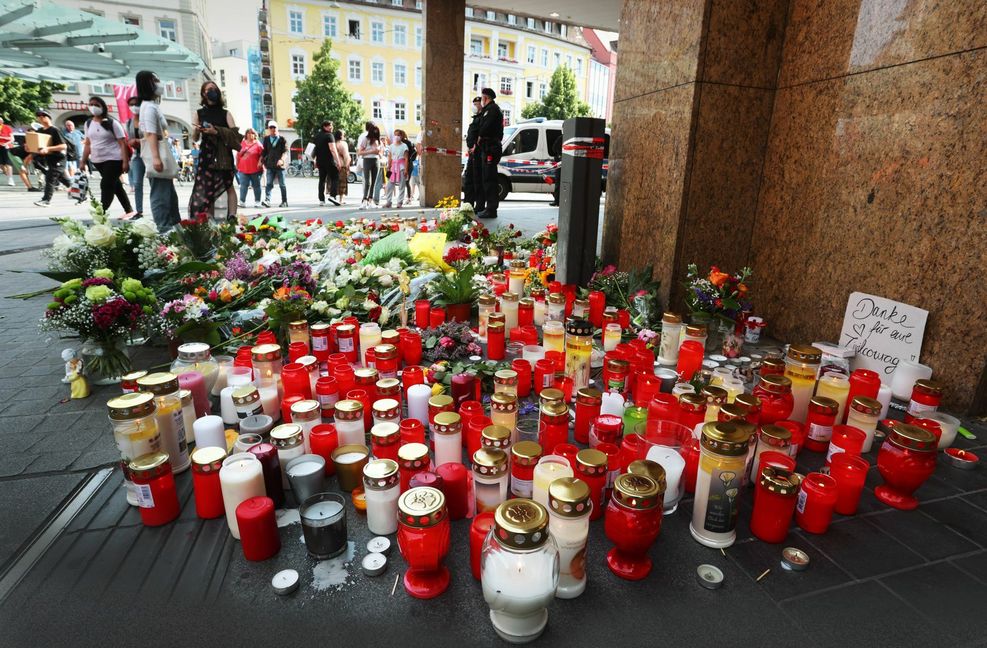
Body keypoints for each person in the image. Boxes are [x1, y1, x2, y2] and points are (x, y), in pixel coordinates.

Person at [189, 81, 242, 222]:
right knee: (208, 189)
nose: (212, 91)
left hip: (223, 154)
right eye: (208, 89)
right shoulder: (199, 113)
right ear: (203, 94)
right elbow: (195, 138)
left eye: (214, 88)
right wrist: (197, 129)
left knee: (229, 185)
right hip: (206, 154)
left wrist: (216, 131)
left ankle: (232, 216)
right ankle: (210, 220)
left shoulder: (226, 113)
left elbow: (235, 136)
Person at [135, 69, 180, 230]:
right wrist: (156, 158)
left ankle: (173, 228)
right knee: (161, 195)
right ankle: (164, 229)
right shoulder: (149, 107)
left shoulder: (150, 106)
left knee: (168, 194)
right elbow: (150, 133)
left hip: (158, 152)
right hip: (157, 153)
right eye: (155, 80)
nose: (159, 84)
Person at [80, 96, 133, 216]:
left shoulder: (112, 123)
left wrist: (125, 162)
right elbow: (88, 143)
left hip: (115, 159)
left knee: (106, 184)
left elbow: (122, 143)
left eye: (96, 105)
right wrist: (83, 161)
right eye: (91, 104)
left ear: (103, 107)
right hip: (98, 160)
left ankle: (101, 213)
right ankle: (129, 210)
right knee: (116, 185)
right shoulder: (88, 123)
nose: (93, 107)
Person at [474, 87, 504, 219]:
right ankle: (489, 208)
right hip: (488, 147)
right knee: (487, 178)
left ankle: (491, 209)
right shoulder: (490, 109)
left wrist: (480, 135)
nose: (482, 100)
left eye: (482, 98)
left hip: (491, 147)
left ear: (485, 98)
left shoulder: (492, 110)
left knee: (489, 179)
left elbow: (486, 127)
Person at [31, 109, 71, 207]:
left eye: (43, 116)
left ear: (49, 117)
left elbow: (63, 146)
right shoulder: (40, 131)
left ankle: (46, 200)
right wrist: (30, 147)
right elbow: (38, 145)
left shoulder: (54, 130)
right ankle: (83, 195)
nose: (41, 118)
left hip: (59, 158)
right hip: (49, 159)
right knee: (65, 180)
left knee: (50, 178)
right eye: (39, 116)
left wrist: (48, 148)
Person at [312, 120, 342, 206]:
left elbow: (315, 150)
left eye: (331, 125)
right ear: (324, 127)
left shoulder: (317, 136)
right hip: (329, 161)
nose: (331, 127)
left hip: (320, 161)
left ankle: (321, 200)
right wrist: (338, 161)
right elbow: (333, 149)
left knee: (322, 180)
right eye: (330, 126)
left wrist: (315, 160)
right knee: (335, 177)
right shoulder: (329, 135)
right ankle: (332, 196)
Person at [124, 97, 144, 218]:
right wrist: (131, 142)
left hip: (149, 154)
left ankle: (158, 208)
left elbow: (154, 137)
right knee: (137, 183)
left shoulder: (146, 120)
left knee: (154, 182)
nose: (134, 107)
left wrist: (139, 141)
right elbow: (128, 140)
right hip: (137, 155)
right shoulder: (129, 122)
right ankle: (139, 211)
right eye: (131, 105)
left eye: (136, 104)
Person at [261, 120, 288, 207]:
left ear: (277, 128)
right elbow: (264, 152)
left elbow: (285, 152)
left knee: (282, 185)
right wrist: (261, 161)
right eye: (271, 127)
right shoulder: (266, 139)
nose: (273, 129)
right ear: (269, 129)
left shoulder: (282, 139)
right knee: (269, 184)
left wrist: (282, 160)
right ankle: (267, 201)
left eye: (274, 127)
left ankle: (284, 201)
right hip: (270, 165)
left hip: (280, 166)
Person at [381, 129, 410, 209]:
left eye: (398, 135)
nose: (396, 136)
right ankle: (388, 202)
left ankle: (399, 202)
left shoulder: (404, 146)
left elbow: (406, 158)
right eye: (395, 135)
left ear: (401, 136)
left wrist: (406, 170)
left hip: (401, 167)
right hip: (392, 167)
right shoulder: (391, 146)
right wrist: (388, 167)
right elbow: (390, 157)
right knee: (389, 185)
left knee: (401, 185)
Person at [462, 95, 482, 205]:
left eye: (476, 104)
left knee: (475, 180)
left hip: (477, 153)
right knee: (469, 178)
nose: (474, 106)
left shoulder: (482, 118)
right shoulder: (476, 118)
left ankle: (475, 204)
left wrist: (475, 146)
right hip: (472, 153)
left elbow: (481, 134)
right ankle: (468, 203)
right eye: (473, 104)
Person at [236, 127, 264, 208]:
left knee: (256, 186)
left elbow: (263, 155)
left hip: (255, 169)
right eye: (248, 133)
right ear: (246, 134)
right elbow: (238, 155)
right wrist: (237, 165)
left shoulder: (258, 144)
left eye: (252, 133)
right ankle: (242, 202)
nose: (250, 134)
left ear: (255, 135)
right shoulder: (242, 143)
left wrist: (260, 161)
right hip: (243, 168)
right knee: (243, 185)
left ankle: (257, 202)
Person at [357, 121, 381, 210]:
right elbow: (360, 152)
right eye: (374, 130)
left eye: (377, 131)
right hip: (367, 160)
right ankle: (364, 200)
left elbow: (380, 152)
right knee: (367, 182)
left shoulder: (378, 140)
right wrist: (372, 151)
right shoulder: (365, 139)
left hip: (376, 160)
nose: (375, 132)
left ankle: (371, 200)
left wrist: (379, 152)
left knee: (374, 182)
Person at [334, 128, 350, 204]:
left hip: (333, 164)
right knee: (342, 182)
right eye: (343, 135)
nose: (344, 136)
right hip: (342, 164)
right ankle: (341, 199)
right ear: (341, 136)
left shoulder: (333, 143)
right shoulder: (343, 144)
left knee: (334, 181)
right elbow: (346, 156)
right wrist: (347, 166)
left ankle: (333, 197)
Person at [0, 116, 14, 185]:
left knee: (8, 163)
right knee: (1, 164)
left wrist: (5, 141)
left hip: (6, 147)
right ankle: (6, 173)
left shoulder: (7, 127)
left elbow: (12, 139)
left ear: (2, 121)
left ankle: (10, 179)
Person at [409, 141, 423, 205]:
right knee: (413, 185)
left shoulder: (420, 155)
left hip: (418, 173)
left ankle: (420, 196)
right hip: (413, 173)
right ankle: (411, 196)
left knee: (419, 185)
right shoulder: (413, 154)